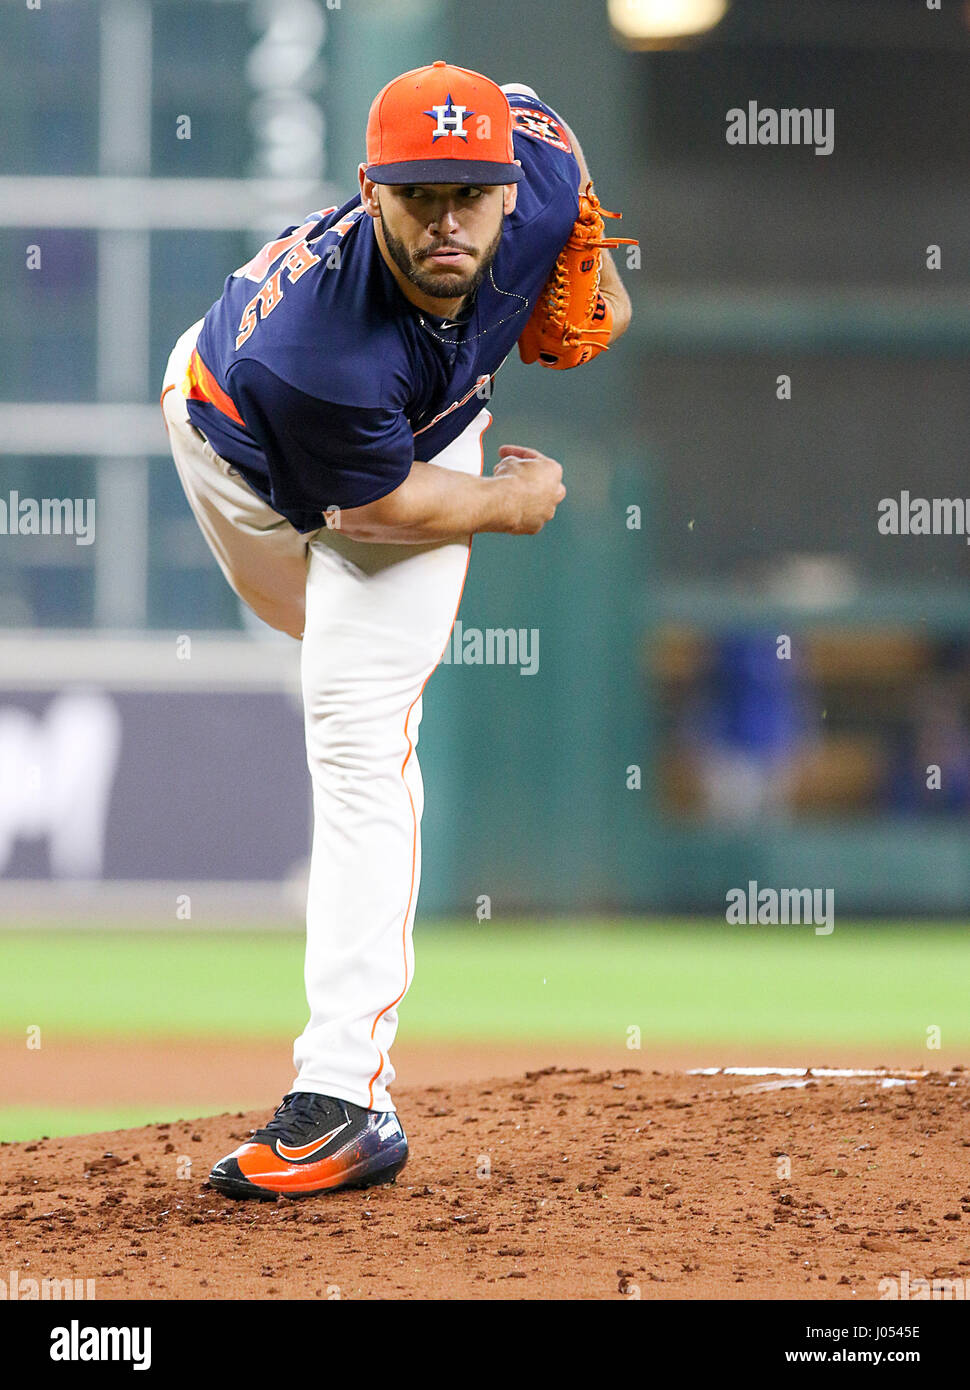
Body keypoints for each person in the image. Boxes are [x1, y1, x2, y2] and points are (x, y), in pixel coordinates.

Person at [159, 61, 633, 1199]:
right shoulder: (315, 352)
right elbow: (376, 506)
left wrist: (594, 261)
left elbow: (540, 124)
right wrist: (512, 507)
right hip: (240, 454)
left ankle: (342, 1096)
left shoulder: (544, 171)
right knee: (331, 638)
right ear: (369, 191)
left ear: (507, 188)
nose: (446, 219)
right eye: (418, 193)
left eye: (469, 192)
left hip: (425, 424)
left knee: (357, 727)